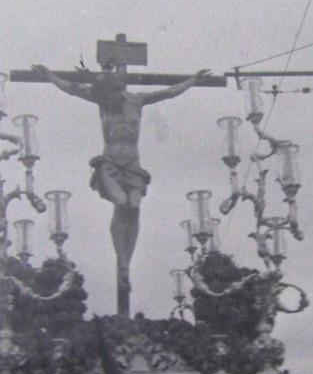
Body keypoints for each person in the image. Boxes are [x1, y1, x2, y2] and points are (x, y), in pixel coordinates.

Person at [32, 62, 208, 304]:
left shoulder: (137, 101)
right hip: (110, 164)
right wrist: (51, 75)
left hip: (133, 166)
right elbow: (71, 88)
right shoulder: (103, 103)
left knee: (134, 208)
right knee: (122, 203)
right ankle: (122, 263)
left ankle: (126, 263)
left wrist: (192, 80)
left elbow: (168, 92)